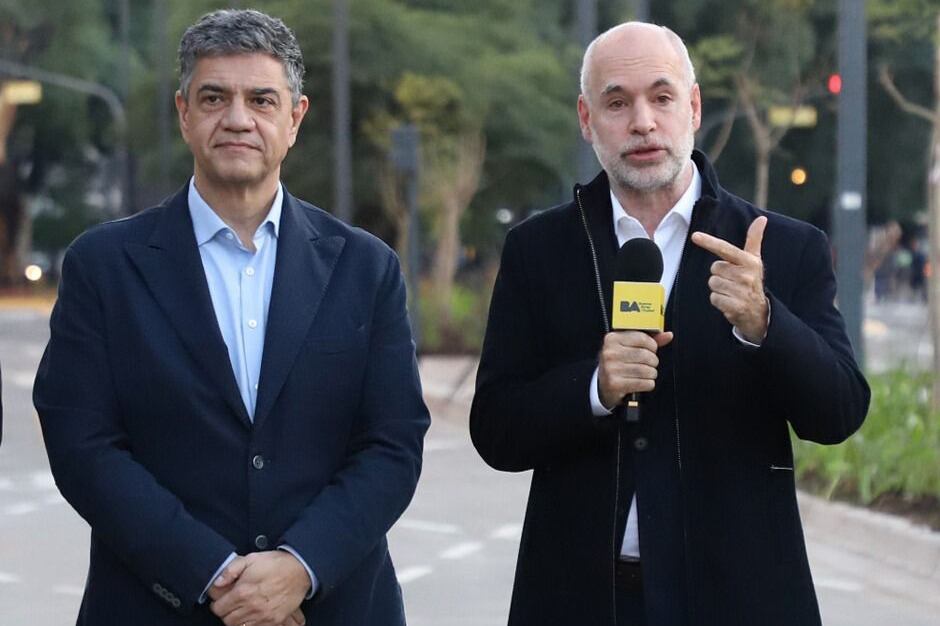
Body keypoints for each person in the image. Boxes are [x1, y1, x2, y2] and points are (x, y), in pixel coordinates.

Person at [33, 9, 429, 626]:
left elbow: (393, 443)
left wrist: (300, 567)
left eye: (261, 99)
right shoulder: (103, 266)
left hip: (332, 606)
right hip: (154, 605)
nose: (238, 119)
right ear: (183, 113)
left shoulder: (365, 268)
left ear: (295, 118)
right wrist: (214, 575)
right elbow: (83, 445)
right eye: (214, 97)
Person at [469, 22, 869, 626]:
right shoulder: (540, 250)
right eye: (616, 102)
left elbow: (840, 413)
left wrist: (766, 323)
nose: (642, 123)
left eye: (661, 97)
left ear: (694, 106)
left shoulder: (784, 249)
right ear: (586, 118)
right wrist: (593, 391)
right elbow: (495, 430)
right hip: (581, 598)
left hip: (740, 597)